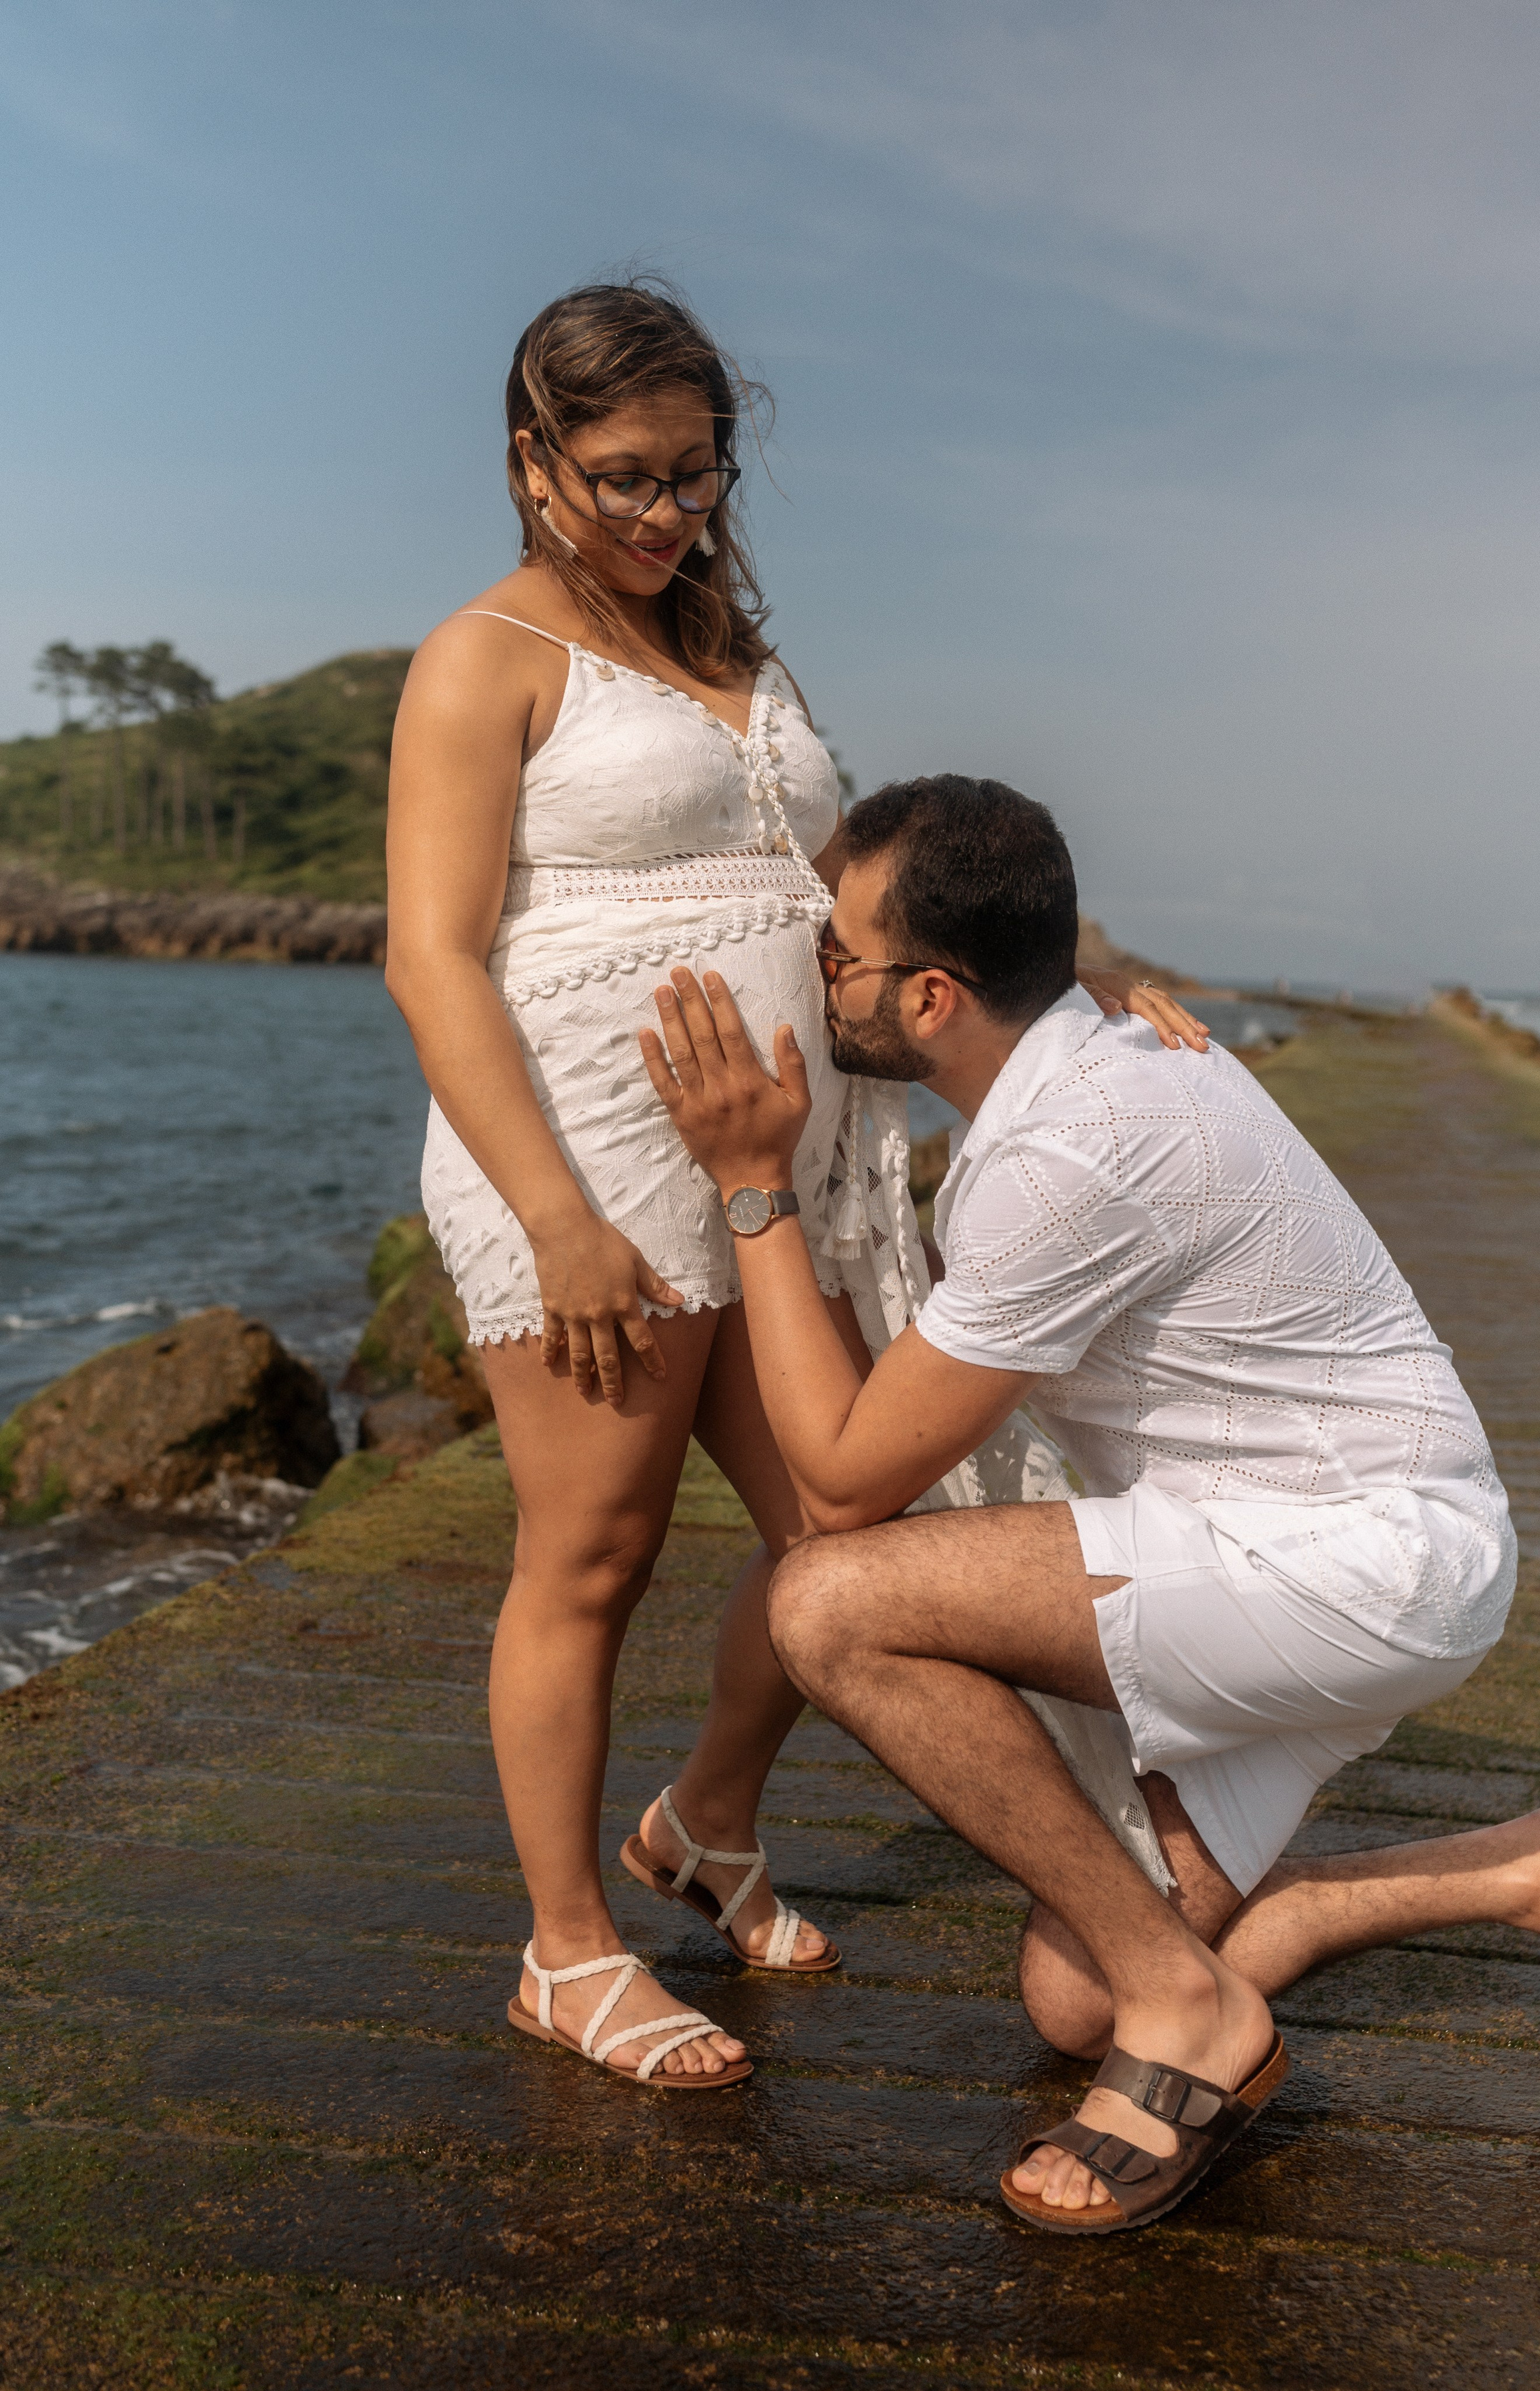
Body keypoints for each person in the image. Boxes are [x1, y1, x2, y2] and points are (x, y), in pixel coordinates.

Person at [637, 773, 1540, 2220]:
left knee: (830, 1603)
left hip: (1351, 1561)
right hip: (1319, 1542)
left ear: (933, 996)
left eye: (832, 954)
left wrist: (752, 1183)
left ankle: (1194, 2020)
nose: (814, 972)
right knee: (1071, 1996)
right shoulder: (1082, 1057)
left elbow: (841, 1475)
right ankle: (1534, 1863)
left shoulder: (1071, 1148)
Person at [384, 283, 1207, 2089]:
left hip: (783, 1166)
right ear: (532, 466)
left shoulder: (743, 654)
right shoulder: (485, 657)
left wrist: (1074, 974)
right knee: (591, 1553)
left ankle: (705, 1820)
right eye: (621, 479)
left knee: (847, 1538)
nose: (667, 514)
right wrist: (558, 1217)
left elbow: (860, 883)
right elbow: (434, 959)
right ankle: (566, 1950)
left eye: (696, 473)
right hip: (590, 1159)